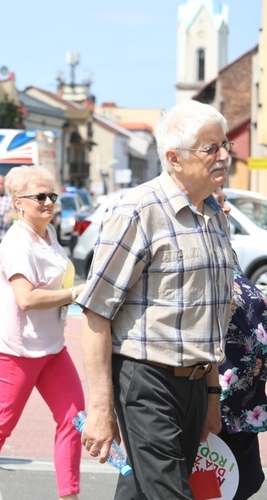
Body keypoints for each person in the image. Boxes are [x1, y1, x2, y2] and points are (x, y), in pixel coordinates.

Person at [77, 100, 234, 498]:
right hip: (147, 381)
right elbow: (96, 312)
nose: (225, 156)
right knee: (170, 493)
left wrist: (212, 394)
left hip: (196, 384)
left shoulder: (215, 213)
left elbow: (210, 314)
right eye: (211, 148)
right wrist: (99, 409)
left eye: (225, 144)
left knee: (141, 491)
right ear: (173, 158)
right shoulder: (137, 210)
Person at [0, 165, 84, 500]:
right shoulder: (18, 242)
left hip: (52, 347)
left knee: (75, 419)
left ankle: (70, 494)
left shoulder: (48, 236)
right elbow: (27, 298)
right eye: (40, 196)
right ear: (18, 202)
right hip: (17, 350)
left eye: (52, 195)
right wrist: (76, 293)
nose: (49, 202)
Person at [213, 187, 266, 499]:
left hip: (241, 398)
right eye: (219, 202)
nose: (228, 210)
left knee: (246, 481)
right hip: (214, 396)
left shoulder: (225, 248)